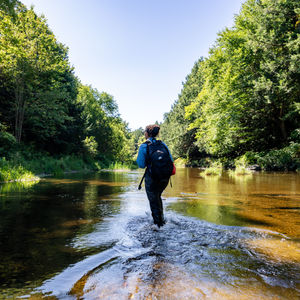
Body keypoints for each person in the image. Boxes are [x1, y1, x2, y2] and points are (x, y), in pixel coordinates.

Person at [136, 124, 173, 228]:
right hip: (165, 177)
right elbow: (171, 160)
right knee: (157, 196)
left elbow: (141, 165)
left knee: (153, 199)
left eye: (144, 132)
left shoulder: (144, 146)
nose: (144, 133)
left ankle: (158, 225)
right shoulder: (163, 145)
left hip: (152, 177)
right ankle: (161, 220)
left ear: (147, 133)